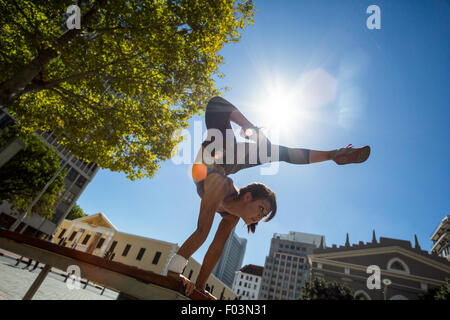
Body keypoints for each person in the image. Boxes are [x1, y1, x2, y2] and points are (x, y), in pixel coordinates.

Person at [166, 96, 370, 299]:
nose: (259, 218)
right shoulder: (220, 186)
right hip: (218, 152)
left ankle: (334, 155)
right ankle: (325, 152)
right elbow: (202, 232)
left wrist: (199, 288)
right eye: (261, 209)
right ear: (247, 197)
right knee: (230, 116)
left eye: (264, 216)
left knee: (275, 153)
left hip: (227, 163)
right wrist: (174, 274)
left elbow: (217, 248)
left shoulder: (231, 216)